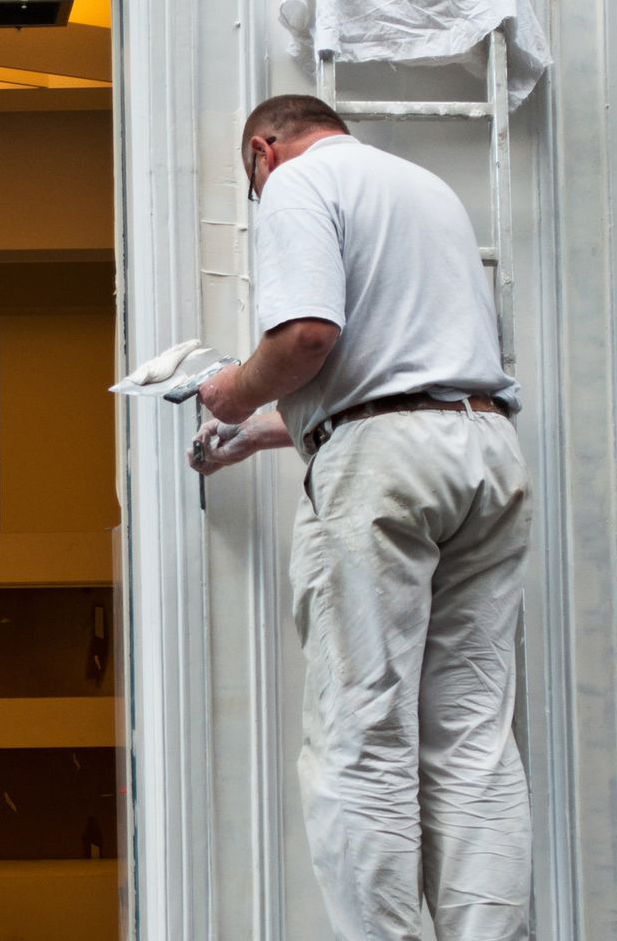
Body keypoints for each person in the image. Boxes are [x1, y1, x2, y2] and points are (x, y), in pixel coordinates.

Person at [189, 94, 533, 940]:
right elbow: (399, 369)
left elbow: (306, 336)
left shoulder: (297, 185)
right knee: (472, 737)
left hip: (387, 467)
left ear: (262, 152)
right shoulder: (423, 189)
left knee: (362, 731)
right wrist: (260, 432)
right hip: (482, 449)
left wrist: (226, 387)